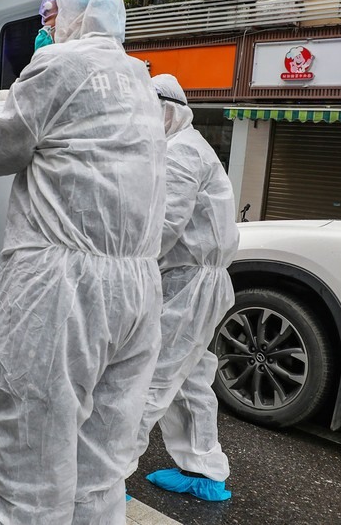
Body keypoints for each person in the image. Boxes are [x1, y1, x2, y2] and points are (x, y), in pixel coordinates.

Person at [0, 0, 166, 524]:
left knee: (25, 453)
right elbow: (72, 113)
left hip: (61, 289)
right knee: (100, 466)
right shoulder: (139, 78)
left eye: (51, 18)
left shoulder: (56, 64)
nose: (46, 30)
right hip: (137, 291)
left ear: (76, 17)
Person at [125, 73, 239, 502]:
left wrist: (124, 268)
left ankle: (105, 477)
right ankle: (204, 468)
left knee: (149, 377)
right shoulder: (180, 148)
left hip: (188, 283)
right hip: (189, 280)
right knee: (188, 377)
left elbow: (163, 227)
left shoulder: (182, 154)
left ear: (169, 111)